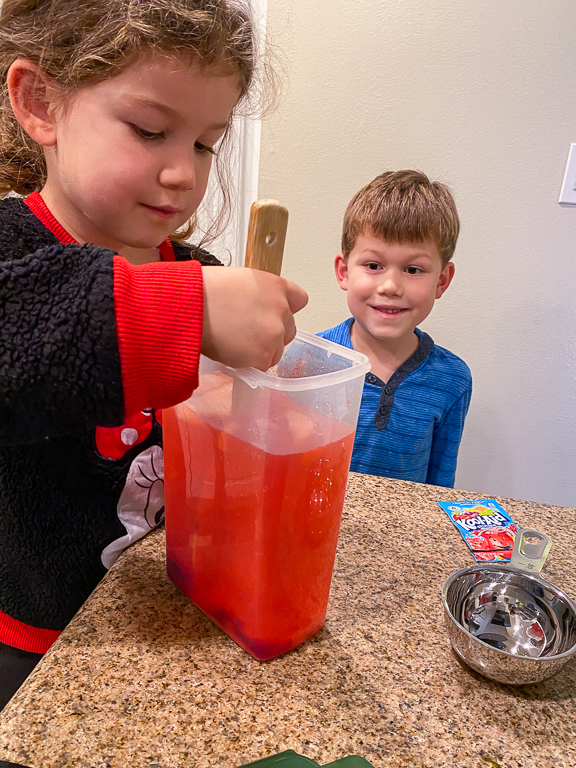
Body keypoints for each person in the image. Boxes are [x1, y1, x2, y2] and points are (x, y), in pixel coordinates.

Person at [0, 0, 307, 709]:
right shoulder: (14, 250)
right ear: (40, 103)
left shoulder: (198, 270)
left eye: (205, 144)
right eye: (149, 131)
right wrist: (182, 313)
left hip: (169, 620)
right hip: (36, 648)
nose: (183, 174)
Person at [318, 170, 471, 487]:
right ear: (344, 272)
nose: (390, 286)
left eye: (413, 269)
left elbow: (439, 483)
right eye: (373, 266)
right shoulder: (312, 362)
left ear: (441, 281)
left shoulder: (453, 379)